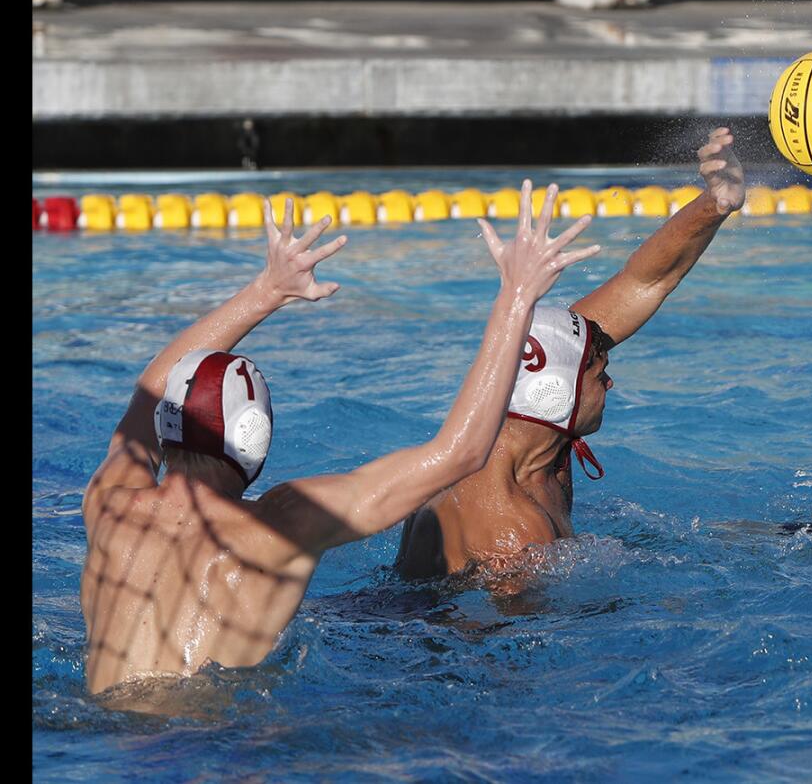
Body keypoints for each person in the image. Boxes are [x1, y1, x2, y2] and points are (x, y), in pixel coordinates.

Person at [80, 187, 597, 698]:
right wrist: (516, 296)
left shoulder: (110, 503)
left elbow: (151, 387)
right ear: (252, 438)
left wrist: (264, 292)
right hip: (211, 752)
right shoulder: (277, 527)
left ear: (168, 427)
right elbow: (460, 453)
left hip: (107, 744)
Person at [394, 127, 745, 579]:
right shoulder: (515, 529)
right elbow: (508, 643)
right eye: (600, 374)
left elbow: (643, 282)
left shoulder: (529, 429)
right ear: (551, 393)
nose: (611, 383)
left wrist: (715, 203)